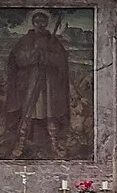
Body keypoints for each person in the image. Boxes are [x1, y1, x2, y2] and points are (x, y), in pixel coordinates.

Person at [4, 9, 72, 158]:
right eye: (37, 21)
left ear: (47, 23)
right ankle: (20, 143)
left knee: (50, 113)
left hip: (48, 83)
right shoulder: (25, 40)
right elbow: (17, 58)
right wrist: (34, 55)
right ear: (33, 22)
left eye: (43, 21)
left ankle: (54, 143)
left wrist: (47, 56)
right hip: (30, 82)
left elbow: (61, 60)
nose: (40, 24)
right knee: (27, 113)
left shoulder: (53, 41)